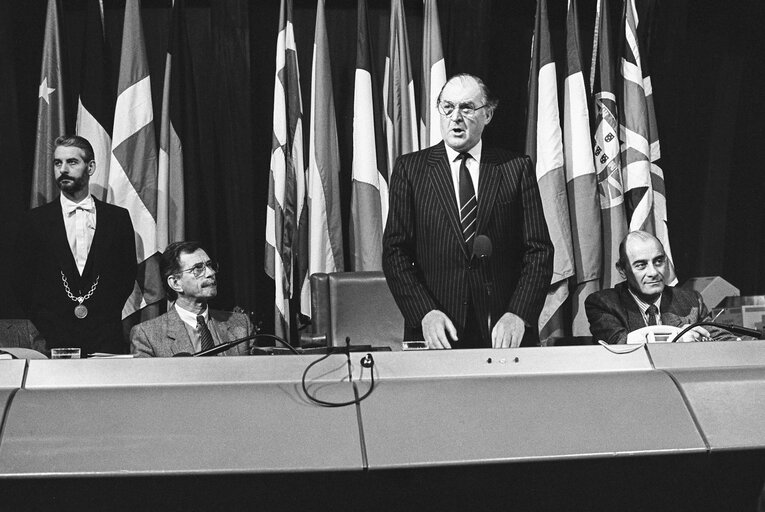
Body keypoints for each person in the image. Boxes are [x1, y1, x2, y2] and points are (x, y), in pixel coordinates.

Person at [382, 74, 553, 349]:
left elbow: (539, 250)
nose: (456, 117)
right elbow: (395, 252)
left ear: (488, 114)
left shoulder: (515, 168)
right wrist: (424, 313)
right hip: (437, 332)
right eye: (447, 107)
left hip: (504, 333)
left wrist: (519, 313)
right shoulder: (410, 170)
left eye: (467, 108)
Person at [12, 135, 136, 355]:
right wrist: (47, 323)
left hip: (106, 339)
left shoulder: (117, 218)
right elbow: (22, 281)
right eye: (58, 163)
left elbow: (126, 275)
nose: (63, 169)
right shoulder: (34, 221)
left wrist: (103, 316)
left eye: (72, 162)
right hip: (52, 340)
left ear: (91, 167)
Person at [585, 230, 734, 344]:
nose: (653, 272)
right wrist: (678, 338)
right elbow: (620, 344)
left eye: (658, 261)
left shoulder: (691, 301)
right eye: (641, 265)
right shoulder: (603, 304)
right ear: (622, 270)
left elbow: (723, 340)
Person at [130, 241, 254, 357]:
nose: (210, 273)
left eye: (210, 265)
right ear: (175, 283)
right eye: (198, 268)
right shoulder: (147, 335)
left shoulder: (241, 325)